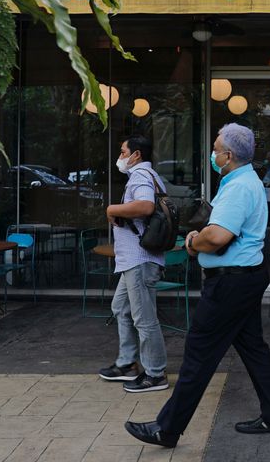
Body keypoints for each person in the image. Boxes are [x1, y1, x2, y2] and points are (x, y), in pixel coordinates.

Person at [126, 123, 270, 449]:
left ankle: (167, 429)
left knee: (198, 354)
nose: (213, 154)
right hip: (243, 279)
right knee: (254, 349)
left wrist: (193, 242)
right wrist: (202, 239)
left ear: (228, 155)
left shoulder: (240, 187)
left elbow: (217, 236)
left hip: (230, 283)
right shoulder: (244, 181)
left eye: (216, 149)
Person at [97, 135, 169, 393]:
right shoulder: (150, 176)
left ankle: (156, 373)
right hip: (135, 261)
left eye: (123, 151)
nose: (120, 156)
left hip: (140, 260)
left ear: (136, 154)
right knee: (121, 308)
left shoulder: (140, 176)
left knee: (144, 318)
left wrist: (112, 209)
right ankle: (127, 363)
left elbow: (146, 206)